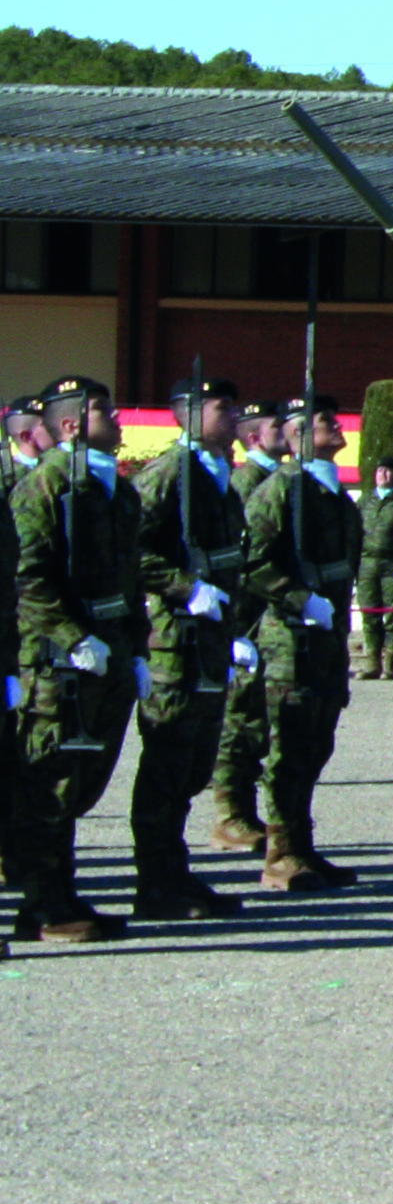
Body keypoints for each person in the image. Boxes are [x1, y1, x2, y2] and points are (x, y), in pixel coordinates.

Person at [9, 377, 143, 944]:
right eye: (101, 411)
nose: (115, 419)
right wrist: (73, 637)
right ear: (69, 425)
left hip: (107, 657)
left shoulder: (115, 490)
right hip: (62, 667)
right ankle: (42, 904)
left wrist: (135, 650)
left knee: (82, 783)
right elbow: (28, 578)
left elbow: (130, 578)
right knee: (50, 784)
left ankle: (63, 894)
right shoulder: (42, 488)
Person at [128, 374, 252, 920]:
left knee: (193, 765)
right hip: (174, 643)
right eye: (223, 407)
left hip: (209, 640)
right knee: (167, 763)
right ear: (188, 413)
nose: (235, 416)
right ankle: (155, 883)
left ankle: (174, 874)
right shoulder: (167, 476)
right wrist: (187, 588)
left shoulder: (215, 476)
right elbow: (130, 549)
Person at [246, 391, 361, 891]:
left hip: (327, 639)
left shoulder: (329, 490)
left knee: (316, 745)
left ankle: (303, 846)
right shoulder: (281, 490)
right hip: (290, 639)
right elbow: (251, 561)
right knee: (288, 747)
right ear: (295, 436)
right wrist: (296, 598)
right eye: (323, 422)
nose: (336, 427)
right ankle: (281, 854)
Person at [210, 399, 290, 841]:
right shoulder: (246, 483)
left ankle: (244, 809)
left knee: (260, 721)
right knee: (240, 719)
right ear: (255, 437)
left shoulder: (279, 480)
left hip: (269, 619)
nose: (286, 433)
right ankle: (230, 813)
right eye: (278, 427)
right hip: (246, 620)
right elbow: (240, 559)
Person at [354, 454, 393, 680]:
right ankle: (372, 663)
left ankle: (390, 665)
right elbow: (352, 533)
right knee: (369, 614)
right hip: (367, 564)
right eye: (380, 470)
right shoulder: (365, 500)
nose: (383, 474)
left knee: (392, 616)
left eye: (389, 471)